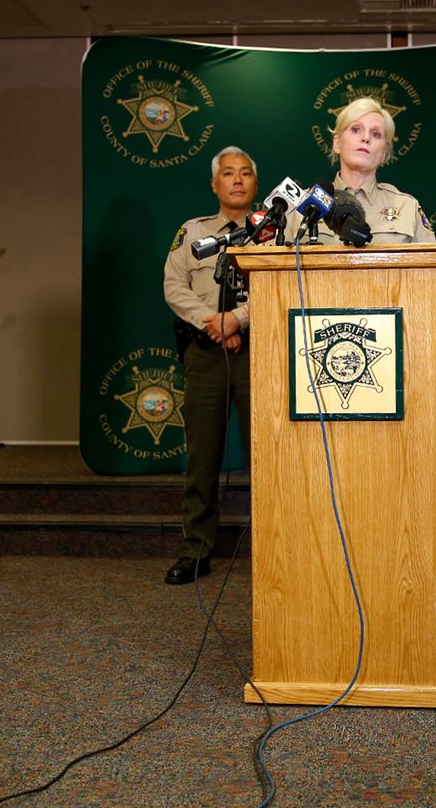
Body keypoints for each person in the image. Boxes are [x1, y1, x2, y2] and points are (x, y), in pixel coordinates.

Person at [162, 145, 258, 584]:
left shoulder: (272, 234)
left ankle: (275, 548)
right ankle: (196, 550)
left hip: (261, 352)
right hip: (206, 351)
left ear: (255, 184)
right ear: (214, 184)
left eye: (245, 174)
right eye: (228, 174)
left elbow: (287, 285)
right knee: (202, 456)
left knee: (270, 457)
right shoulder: (192, 231)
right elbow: (173, 286)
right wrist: (214, 323)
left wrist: (237, 318)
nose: (237, 180)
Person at [287, 96, 436, 244]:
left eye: (376, 134)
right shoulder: (301, 205)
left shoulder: (407, 207)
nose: (366, 138)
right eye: (356, 129)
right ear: (337, 143)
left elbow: (435, 263)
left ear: (384, 153)